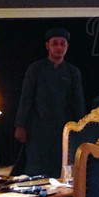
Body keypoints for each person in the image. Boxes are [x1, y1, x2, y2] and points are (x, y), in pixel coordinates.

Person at [14, 27, 85, 179]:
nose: (59, 47)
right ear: (48, 46)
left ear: (67, 46)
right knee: (36, 171)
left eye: (62, 44)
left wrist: (80, 128)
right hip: (38, 129)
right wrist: (20, 125)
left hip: (63, 128)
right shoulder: (35, 69)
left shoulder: (73, 72)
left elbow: (78, 101)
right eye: (55, 43)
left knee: (62, 169)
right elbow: (26, 98)